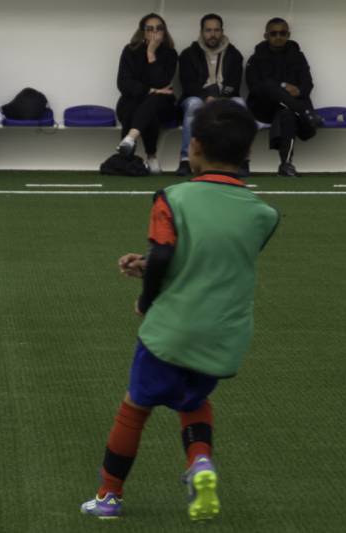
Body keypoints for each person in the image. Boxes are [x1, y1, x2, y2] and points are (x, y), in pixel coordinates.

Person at [80, 100, 279, 521]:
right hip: (223, 335)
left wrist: (146, 299)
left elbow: (169, 256)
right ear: (247, 154)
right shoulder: (263, 214)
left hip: (172, 329)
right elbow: (210, 261)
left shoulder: (171, 197)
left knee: (135, 406)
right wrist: (150, 264)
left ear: (196, 147)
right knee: (194, 400)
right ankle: (200, 462)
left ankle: (108, 496)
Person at [246, 18, 323, 177]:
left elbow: (307, 84)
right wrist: (282, 86)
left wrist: (299, 91)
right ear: (266, 35)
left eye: (283, 33)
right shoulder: (256, 59)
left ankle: (286, 164)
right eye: (274, 33)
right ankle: (304, 112)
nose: (278, 37)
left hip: (287, 109)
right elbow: (254, 88)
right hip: (264, 108)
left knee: (287, 114)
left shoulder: (298, 56)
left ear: (288, 35)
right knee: (267, 85)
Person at [177, 14, 248, 177]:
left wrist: (219, 99)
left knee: (240, 104)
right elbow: (187, 85)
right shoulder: (188, 54)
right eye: (208, 30)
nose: (213, 34)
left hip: (225, 98)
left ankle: (241, 161)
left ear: (222, 31)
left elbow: (234, 85)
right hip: (197, 97)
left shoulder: (234, 54)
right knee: (194, 104)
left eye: (216, 30)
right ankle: (186, 160)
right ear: (201, 32)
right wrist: (206, 97)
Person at [115, 13, 178, 175]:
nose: (154, 32)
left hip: (162, 105)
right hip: (133, 101)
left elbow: (161, 81)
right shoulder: (130, 51)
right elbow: (123, 83)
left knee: (153, 102)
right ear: (142, 31)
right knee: (135, 105)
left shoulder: (170, 53)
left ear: (164, 32)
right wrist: (150, 90)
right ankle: (145, 156)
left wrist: (151, 53)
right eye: (149, 29)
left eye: (159, 29)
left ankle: (130, 141)